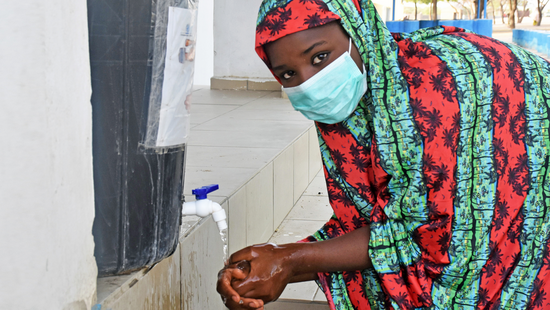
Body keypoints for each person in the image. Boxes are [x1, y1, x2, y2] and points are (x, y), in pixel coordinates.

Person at [217, 0, 550, 309]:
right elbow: (373, 222)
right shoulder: (360, 105)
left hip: (528, 146)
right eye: (288, 74)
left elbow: (432, 235)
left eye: (319, 57)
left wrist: (289, 259)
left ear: (358, 32)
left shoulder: (429, 94)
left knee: (496, 271)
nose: (309, 83)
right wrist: (271, 264)